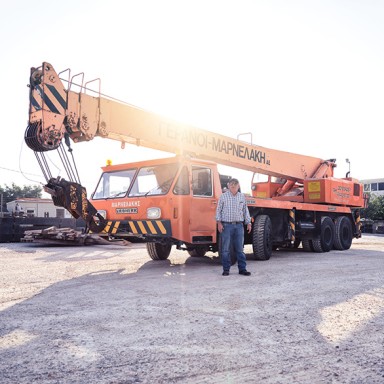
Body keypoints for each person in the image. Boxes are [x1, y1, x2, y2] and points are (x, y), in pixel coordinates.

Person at [215, 178, 252, 276]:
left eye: (235, 185)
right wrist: (219, 223)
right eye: (231, 185)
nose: (233, 186)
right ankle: (226, 270)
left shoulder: (242, 197)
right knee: (225, 249)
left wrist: (248, 223)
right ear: (228, 185)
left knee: (240, 249)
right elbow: (218, 210)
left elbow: (245, 211)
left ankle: (242, 269)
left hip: (239, 226)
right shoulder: (223, 197)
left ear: (238, 186)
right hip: (226, 226)